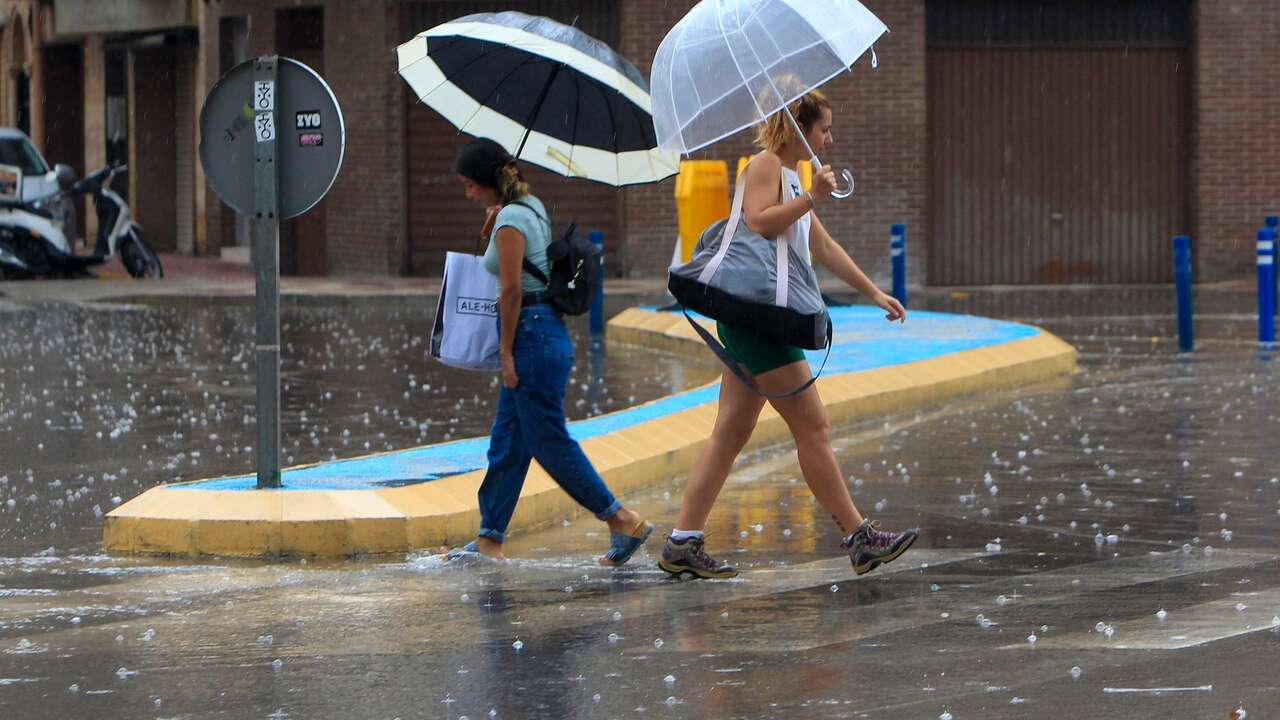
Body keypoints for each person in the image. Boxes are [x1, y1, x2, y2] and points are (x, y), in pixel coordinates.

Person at [659, 91, 919, 579]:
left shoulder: (789, 176)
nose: (829, 138)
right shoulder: (764, 166)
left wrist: (873, 292)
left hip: (759, 318)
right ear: (799, 129)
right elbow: (758, 222)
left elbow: (821, 245)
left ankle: (682, 542)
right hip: (758, 320)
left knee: (731, 433)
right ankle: (859, 537)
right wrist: (810, 198)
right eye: (823, 129)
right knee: (813, 426)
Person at [445, 137, 653, 565]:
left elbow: (512, 289)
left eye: (469, 185)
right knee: (508, 442)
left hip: (532, 338)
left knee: (547, 441)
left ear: (487, 181)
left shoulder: (510, 222)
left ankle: (621, 518)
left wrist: (504, 352)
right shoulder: (529, 208)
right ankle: (489, 538)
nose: (466, 194)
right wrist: (494, 227)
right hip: (546, 332)